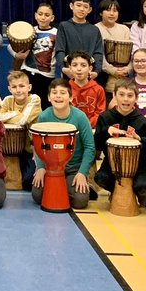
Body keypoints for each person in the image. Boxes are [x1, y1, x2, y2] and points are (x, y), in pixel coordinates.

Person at [31, 78, 95, 210]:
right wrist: (41, 168)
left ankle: (78, 185)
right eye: (54, 93)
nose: (58, 96)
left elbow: (90, 147)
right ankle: (65, 187)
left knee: (80, 201)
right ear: (49, 97)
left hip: (73, 167)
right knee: (38, 196)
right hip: (50, 166)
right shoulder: (44, 117)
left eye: (63, 92)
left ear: (70, 97)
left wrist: (82, 173)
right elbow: (38, 146)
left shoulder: (80, 117)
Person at [93, 82, 146, 203]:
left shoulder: (143, 121)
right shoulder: (105, 117)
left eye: (130, 95)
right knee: (101, 179)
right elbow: (97, 145)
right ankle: (116, 191)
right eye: (121, 94)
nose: (125, 99)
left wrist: (140, 139)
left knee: (143, 186)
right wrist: (106, 131)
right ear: (114, 95)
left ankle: (138, 192)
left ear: (136, 98)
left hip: (138, 165)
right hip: (111, 163)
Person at [0, 69, 42, 184]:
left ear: (29, 87)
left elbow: (23, 120)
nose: (18, 90)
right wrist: (15, 113)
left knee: (28, 181)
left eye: (22, 86)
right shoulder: (8, 100)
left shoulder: (35, 99)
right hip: (10, 149)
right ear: (9, 89)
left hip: (31, 149)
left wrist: (9, 116)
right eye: (14, 87)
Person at [13, 0, 57, 99]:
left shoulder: (57, 33)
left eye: (47, 15)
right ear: (35, 15)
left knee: (43, 103)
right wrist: (17, 55)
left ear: (52, 18)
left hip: (47, 76)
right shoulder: (29, 30)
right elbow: (10, 47)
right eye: (40, 14)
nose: (43, 17)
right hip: (27, 74)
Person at [55, 0, 104, 81]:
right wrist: (64, 68)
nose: (81, 9)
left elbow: (98, 52)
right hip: (69, 73)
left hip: (88, 75)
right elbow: (60, 49)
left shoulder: (94, 30)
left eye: (85, 7)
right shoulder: (64, 26)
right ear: (71, 6)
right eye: (78, 5)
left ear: (89, 10)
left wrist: (96, 71)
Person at [67, 51, 106, 129]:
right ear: (70, 68)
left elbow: (100, 112)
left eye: (83, 65)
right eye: (74, 65)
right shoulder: (65, 88)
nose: (79, 69)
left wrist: (86, 125)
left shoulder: (98, 89)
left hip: (92, 129)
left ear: (90, 69)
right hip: (70, 129)